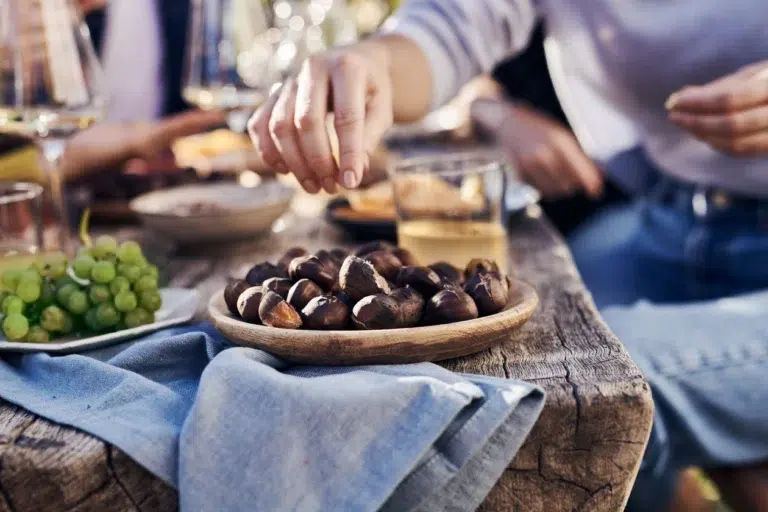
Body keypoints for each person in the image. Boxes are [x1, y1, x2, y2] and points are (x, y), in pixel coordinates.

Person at [246, 1, 768, 510]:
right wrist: (371, 62)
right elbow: (447, 28)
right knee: (514, 357)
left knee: (595, 383)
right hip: (666, 219)